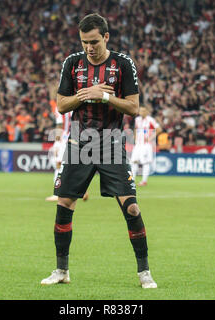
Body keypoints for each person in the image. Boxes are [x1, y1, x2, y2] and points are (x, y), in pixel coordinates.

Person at [41, 13, 157, 288]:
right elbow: (61, 105)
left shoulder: (122, 64)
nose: (89, 48)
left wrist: (104, 96)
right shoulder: (72, 63)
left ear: (106, 37)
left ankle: (144, 273)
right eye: (84, 43)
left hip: (112, 142)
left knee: (131, 208)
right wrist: (86, 93)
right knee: (64, 205)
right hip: (79, 142)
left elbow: (133, 107)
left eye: (94, 42)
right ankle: (61, 271)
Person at [130, 107, 161, 186]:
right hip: (138, 144)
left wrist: (151, 138)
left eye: (143, 111)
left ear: (146, 111)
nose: (141, 112)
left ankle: (144, 181)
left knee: (145, 162)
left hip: (146, 145)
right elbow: (135, 129)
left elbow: (159, 129)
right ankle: (132, 180)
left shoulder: (150, 120)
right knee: (133, 161)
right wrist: (135, 138)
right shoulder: (137, 119)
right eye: (140, 110)